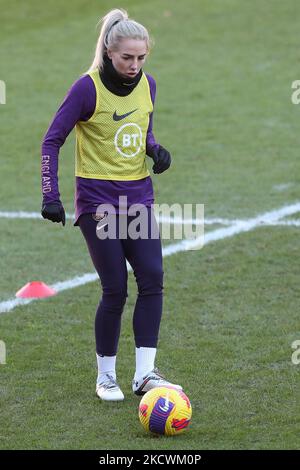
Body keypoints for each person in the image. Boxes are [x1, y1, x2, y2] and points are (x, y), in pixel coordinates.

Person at [41, 8, 182, 401]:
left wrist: (156, 150)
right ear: (108, 51)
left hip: (138, 197)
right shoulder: (86, 89)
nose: (135, 65)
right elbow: (52, 139)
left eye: (141, 58)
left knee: (152, 278)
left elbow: (142, 131)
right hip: (98, 202)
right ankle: (106, 377)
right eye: (127, 58)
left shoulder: (148, 84)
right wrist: (50, 195)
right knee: (116, 288)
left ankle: (145, 375)